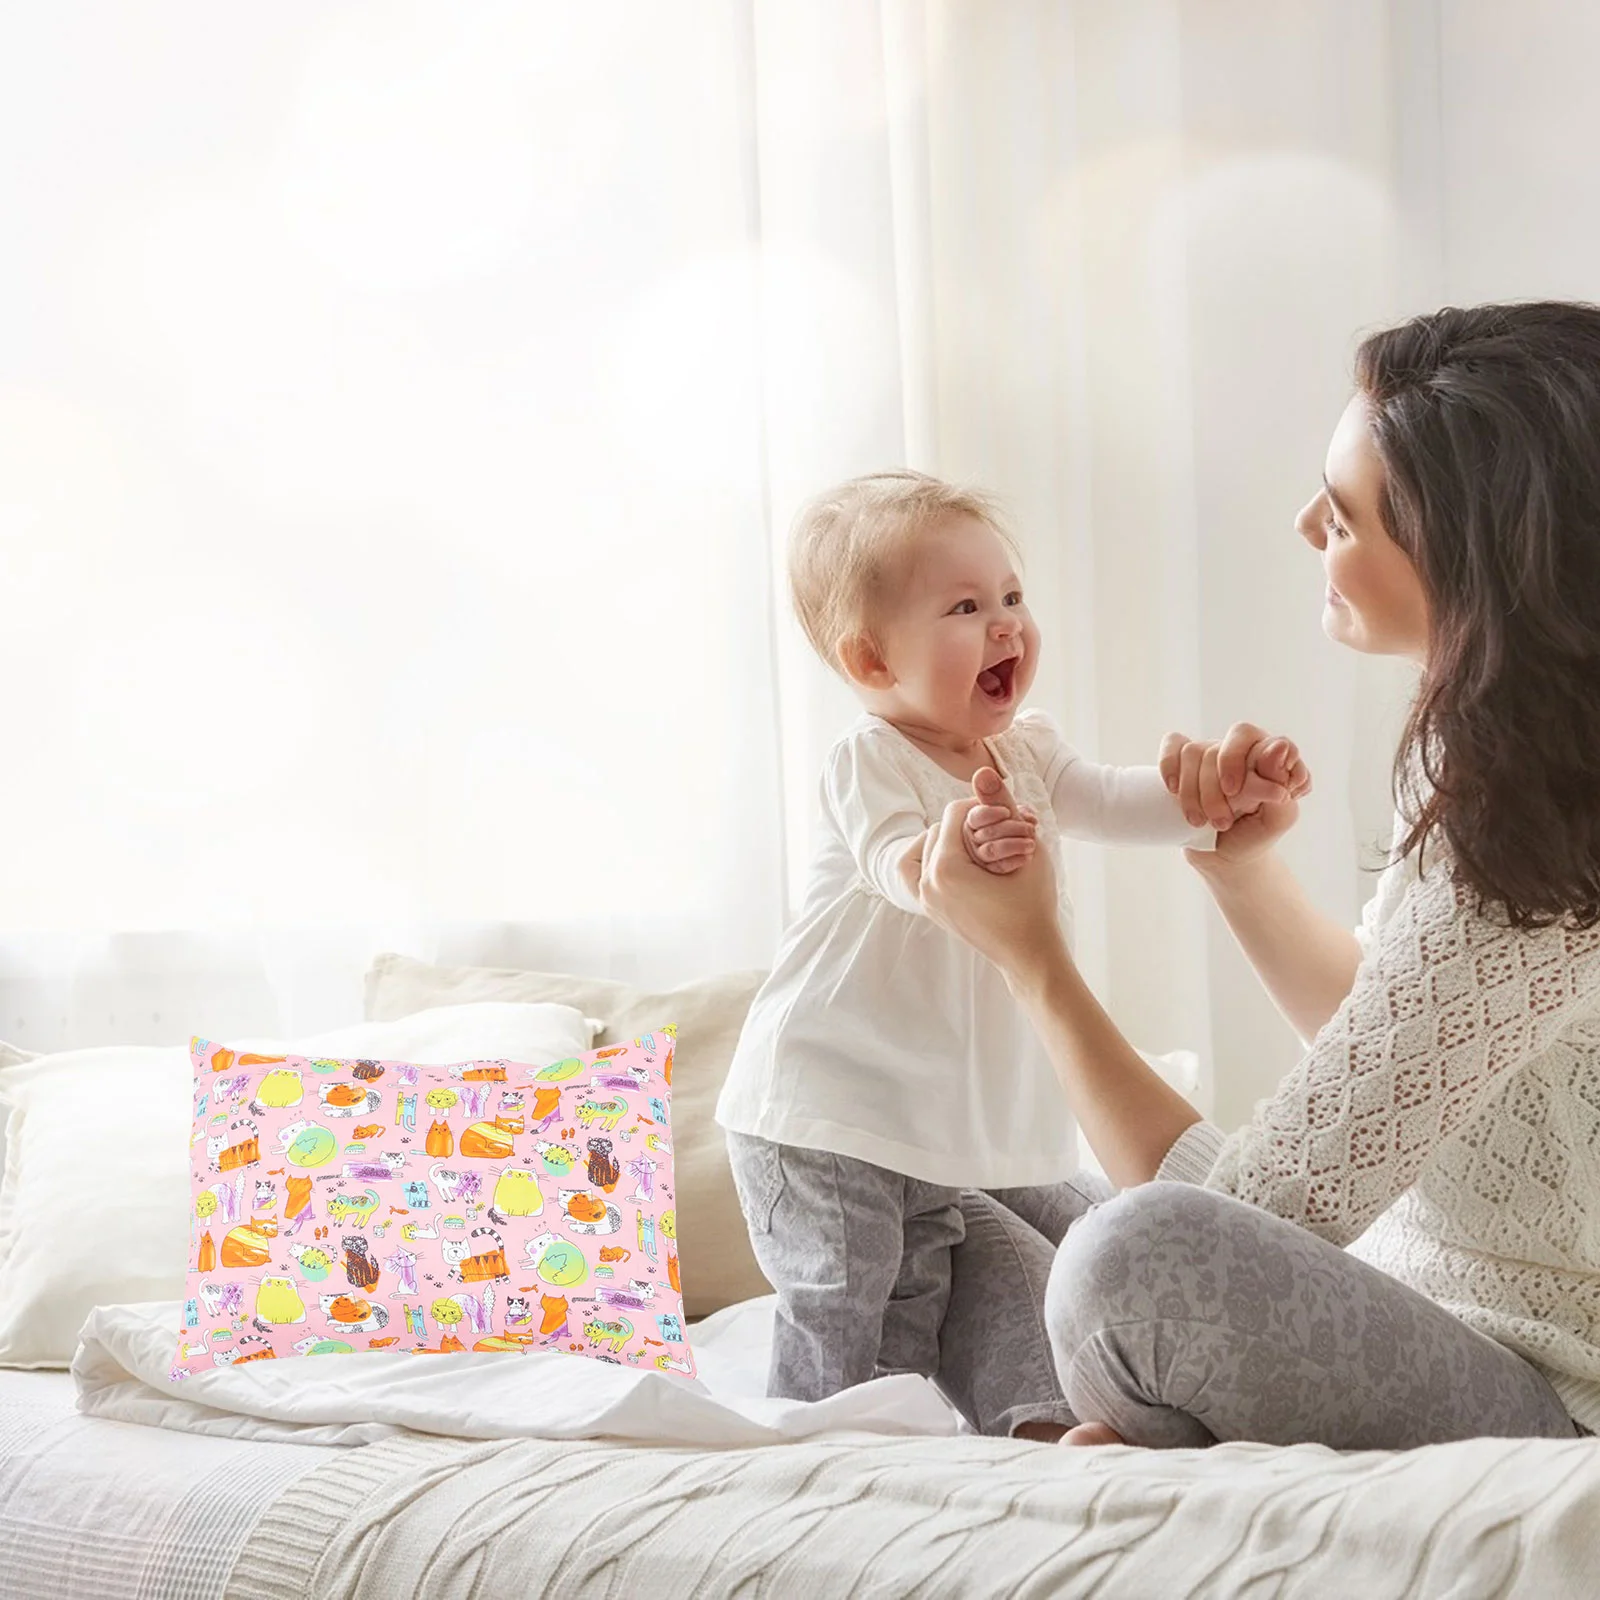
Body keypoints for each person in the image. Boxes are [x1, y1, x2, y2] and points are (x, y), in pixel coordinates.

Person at [905, 302, 1600, 1448]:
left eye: (1341, 515)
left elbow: (1257, 1207)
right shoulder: (1508, 755)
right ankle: (1143, 1415)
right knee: (988, 1209)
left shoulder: (1553, 824)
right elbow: (1415, 1032)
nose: (1300, 525)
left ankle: (1146, 1418)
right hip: (1434, 1295)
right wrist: (1242, 875)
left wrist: (1032, 960)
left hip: (1551, 1386)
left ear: (1468, 556)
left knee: (1126, 1258)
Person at [715, 469, 1305, 1415]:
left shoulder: (1024, 753)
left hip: (924, 1124)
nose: (1007, 625)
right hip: (819, 1108)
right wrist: (952, 853)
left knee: (912, 1312)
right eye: (964, 606)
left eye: (1013, 597)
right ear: (871, 662)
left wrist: (1213, 794)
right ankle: (799, 1470)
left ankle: (895, 1465)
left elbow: (1114, 798)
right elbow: (896, 865)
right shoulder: (868, 759)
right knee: (839, 1304)